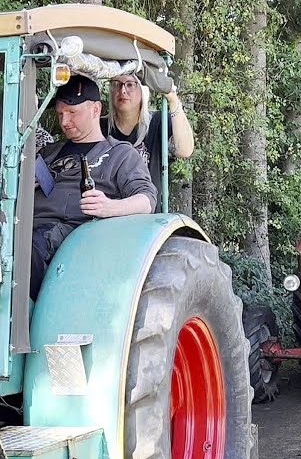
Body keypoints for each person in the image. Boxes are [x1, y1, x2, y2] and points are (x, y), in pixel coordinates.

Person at [32, 75, 157, 299]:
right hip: (25, 225)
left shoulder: (120, 154)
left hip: (73, 236)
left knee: (28, 248)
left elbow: (147, 199)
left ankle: (21, 325)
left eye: (72, 113)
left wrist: (109, 207)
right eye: (60, 113)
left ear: (96, 109)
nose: (64, 121)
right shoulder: (49, 152)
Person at [102, 73, 195, 191]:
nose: (122, 90)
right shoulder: (100, 127)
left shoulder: (158, 122)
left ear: (143, 90)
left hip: (148, 206)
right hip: (109, 206)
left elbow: (184, 150)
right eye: (116, 84)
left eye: (130, 84)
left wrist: (173, 100)